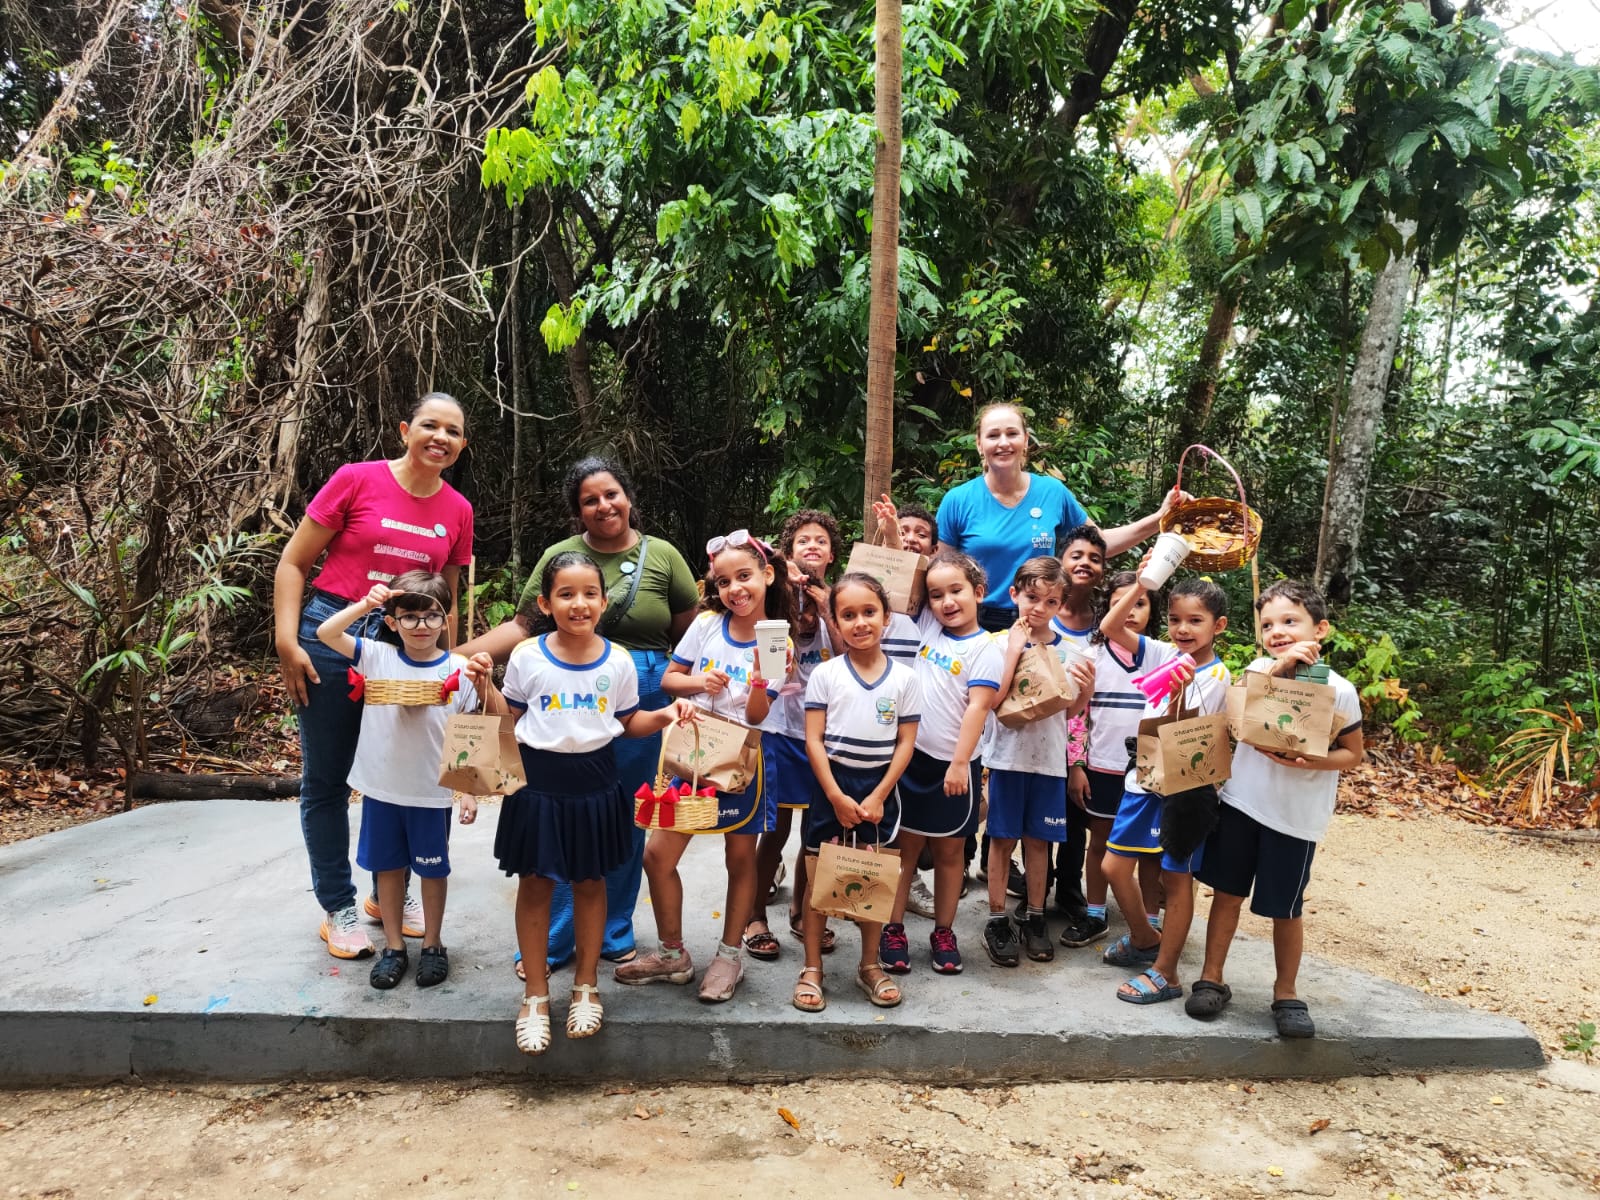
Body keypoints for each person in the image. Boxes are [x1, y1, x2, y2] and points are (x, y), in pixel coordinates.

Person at [460, 456, 699, 979]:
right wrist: (451, 661)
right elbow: (522, 626)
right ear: (577, 512)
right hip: (557, 690)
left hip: (636, 692)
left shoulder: (662, 556)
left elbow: (692, 634)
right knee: (559, 815)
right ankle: (554, 938)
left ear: (628, 496)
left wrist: (691, 694)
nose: (603, 505)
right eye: (589, 499)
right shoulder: (560, 557)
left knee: (622, 817)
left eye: (611, 493)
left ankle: (613, 931)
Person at [273, 392, 473, 960]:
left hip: (412, 640)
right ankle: (337, 903)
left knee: (408, 774)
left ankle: (392, 895)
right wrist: (288, 641)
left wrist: (448, 672)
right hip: (334, 635)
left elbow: (448, 598)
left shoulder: (457, 509)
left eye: (453, 431)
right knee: (329, 780)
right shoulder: (356, 480)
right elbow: (294, 561)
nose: (440, 437)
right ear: (406, 429)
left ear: (462, 445)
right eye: (430, 426)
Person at [479, 553, 699, 1054]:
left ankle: (585, 986)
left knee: (591, 882)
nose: (578, 604)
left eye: (588, 594)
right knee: (535, 884)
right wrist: (481, 686)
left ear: (603, 601)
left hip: (599, 782)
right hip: (537, 783)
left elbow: (627, 723)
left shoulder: (618, 660)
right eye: (565, 594)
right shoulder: (528, 656)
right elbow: (508, 719)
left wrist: (666, 714)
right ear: (545, 602)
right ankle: (536, 995)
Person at [616, 530, 798, 1003]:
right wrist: (699, 683)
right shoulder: (705, 626)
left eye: (745, 576)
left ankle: (729, 956)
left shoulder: (778, 638)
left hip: (747, 758)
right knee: (657, 855)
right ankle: (673, 953)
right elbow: (672, 680)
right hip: (694, 753)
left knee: (740, 859)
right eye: (723, 582)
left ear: (767, 575)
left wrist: (760, 677)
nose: (735, 589)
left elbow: (759, 714)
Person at [1187, 580, 1364, 1038]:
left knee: (1286, 907)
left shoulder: (1340, 690)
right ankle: (1211, 977)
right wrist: (1281, 666)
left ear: (1320, 628)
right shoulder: (1258, 671)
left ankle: (1286, 993)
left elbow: (1353, 754)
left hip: (1294, 816)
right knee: (1226, 894)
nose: (1277, 631)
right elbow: (1234, 712)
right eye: (1268, 624)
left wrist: (1312, 760)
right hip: (1243, 803)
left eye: (1290, 621)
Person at [315, 572, 490, 988]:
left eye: (431, 616)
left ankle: (433, 943)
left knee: (433, 870)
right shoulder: (376, 656)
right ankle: (394, 946)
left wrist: (467, 789)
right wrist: (366, 602)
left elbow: (470, 727)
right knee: (388, 870)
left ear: (445, 618)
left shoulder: (460, 667)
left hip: (431, 791)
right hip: (382, 787)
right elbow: (326, 632)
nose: (421, 626)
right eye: (409, 617)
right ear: (392, 622)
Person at [1097, 573, 1231, 1006]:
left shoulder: (1220, 677)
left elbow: (1200, 740)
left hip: (1186, 793)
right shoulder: (1159, 653)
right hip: (1142, 782)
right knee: (1113, 868)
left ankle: (1166, 972)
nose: (1183, 630)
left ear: (1219, 626)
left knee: (1176, 881)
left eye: (1196, 620)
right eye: (1175, 619)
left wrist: (1180, 697)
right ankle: (1142, 936)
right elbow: (1110, 628)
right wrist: (1141, 584)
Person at [934, 402, 1180, 633]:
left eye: (1012, 433)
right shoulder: (958, 500)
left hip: (1040, 620)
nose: (1003, 443)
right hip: (976, 623)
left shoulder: (1052, 492)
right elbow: (938, 571)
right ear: (979, 444)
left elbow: (1100, 543)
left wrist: (1160, 517)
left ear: (1026, 440)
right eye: (993, 435)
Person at [796, 573, 922, 1012]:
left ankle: (869, 965)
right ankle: (812, 967)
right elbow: (814, 740)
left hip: (878, 793)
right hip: (832, 786)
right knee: (819, 881)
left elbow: (906, 742)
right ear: (836, 620)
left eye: (869, 612)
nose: (860, 622)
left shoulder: (905, 679)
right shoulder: (827, 675)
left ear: (886, 618)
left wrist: (880, 795)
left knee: (874, 882)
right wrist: (833, 794)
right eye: (848, 615)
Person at [879, 550, 1003, 976]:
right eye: (937, 595)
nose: (947, 601)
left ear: (978, 593)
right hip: (910, 761)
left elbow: (978, 709)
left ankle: (943, 932)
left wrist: (959, 762)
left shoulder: (987, 648)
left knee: (950, 854)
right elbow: (907, 577)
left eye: (956, 591)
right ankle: (892, 929)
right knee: (902, 851)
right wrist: (894, 536)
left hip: (954, 767)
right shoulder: (929, 627)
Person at [985, 557, 1095, 965]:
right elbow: (991, 702)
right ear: (1014, 594)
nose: (1039, 608)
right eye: (1031, 597)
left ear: (1061, 603)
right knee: (1001, 839)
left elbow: (1072, 713)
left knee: (1039, 842)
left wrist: (1084, 693)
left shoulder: (1072, 651)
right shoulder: (996, 644)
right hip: (1006, 759)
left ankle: (1034, 917)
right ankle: (997, 918)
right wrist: (1014, 652)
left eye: (1050, 601)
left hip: (1049, 762)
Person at [749, 510, 841, 962]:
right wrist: (785, 588)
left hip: (822, 733)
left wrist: (825, 606)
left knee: (816, 831)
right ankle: (753, 915)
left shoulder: (838, 599)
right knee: (774, 825)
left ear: (832, 553)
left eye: (821, 541)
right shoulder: (773, 592)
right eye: (803, 540)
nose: (812, 546)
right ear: (787, 551)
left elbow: (850, 653)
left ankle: (806, 912)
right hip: (779, 728)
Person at [1062, 570, 1163, 949]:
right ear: (1108, 608)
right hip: (1101, 767)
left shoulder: (1160, 656)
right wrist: (1076, 766)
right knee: (1100, 842)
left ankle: (1150, 920)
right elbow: (1077, 716)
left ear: (1152, 609)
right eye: (1122, 603)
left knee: (1150, 849)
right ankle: (1094, 914)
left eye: (1140, 602)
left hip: (1150, 770)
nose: (1131, 611)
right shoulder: (1091, 656)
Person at [1045, 525, 1107, 925]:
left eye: (1095, 558)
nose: (1085, 563)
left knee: (1075, 819)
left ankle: (1068, 888)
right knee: (1037, 821)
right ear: (1061, 562)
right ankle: (1032, 889)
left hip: (1085, 739)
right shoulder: (1044, 613)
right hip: (1041, 733)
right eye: (1077, 555)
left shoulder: (1105, 624)